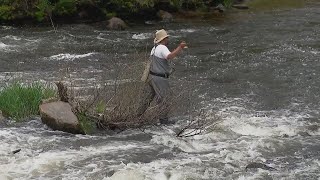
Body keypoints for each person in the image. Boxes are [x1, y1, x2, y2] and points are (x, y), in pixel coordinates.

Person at [137, 29, 187, 124]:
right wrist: (180, 47)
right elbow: (169, 56)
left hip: (151, 77)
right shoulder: (162, 48)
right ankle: (163, 120)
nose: (168, 39)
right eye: (167, 37)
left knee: (148, 98)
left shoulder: (154, 48)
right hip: (159, 78)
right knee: (164, 98)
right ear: (164, 39)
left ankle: (137, 116)